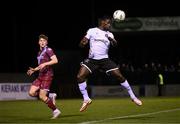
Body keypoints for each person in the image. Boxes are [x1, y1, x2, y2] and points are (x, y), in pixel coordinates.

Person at [77, 15, 142, 112]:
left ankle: (133, 97)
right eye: (108, 23)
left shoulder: (110, 34)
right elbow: (83, 42)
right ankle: (86, 99)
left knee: (120, 76)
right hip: (92, 60)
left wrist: (111, 39)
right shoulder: (92, 30)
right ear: (103, 22)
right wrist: (83, 43)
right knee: (80, 76)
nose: (110, 25)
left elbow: (115, 44)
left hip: (105, 60)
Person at [27, 34, 61, 119]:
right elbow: (41, 65)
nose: (42, 42)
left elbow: (55, 60)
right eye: (41, 41)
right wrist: (34, 70)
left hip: (47, 75)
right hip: (40, 75)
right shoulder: (39, 52)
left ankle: (56, 111)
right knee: (31, 93)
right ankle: (50, 96)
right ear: (38, 42)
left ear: (46, 42)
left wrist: (45, 63)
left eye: (44, 41)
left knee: (41, 96)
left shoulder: (48, 50)